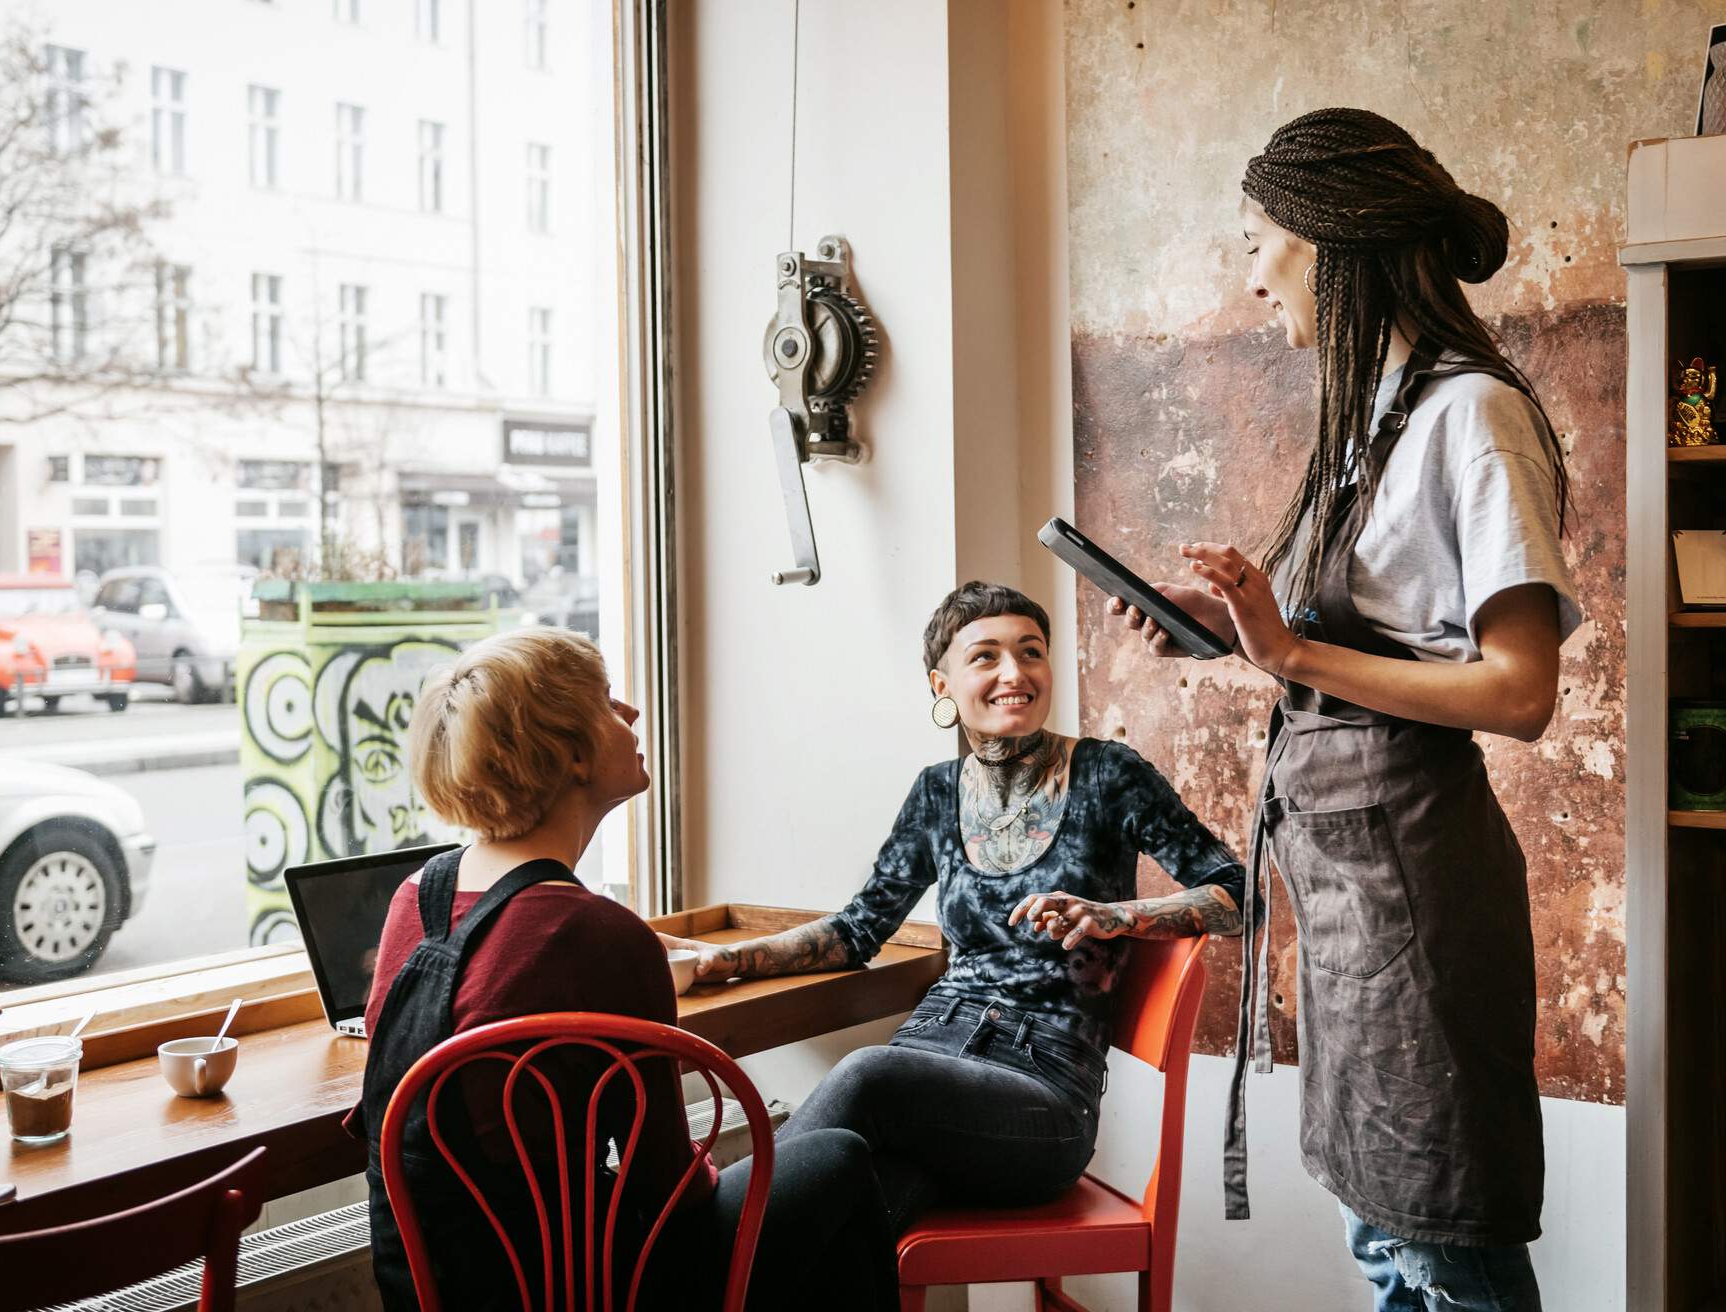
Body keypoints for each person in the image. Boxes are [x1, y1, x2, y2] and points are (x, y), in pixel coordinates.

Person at [1107, 108, 1577, 1312]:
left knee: (1444, 1241)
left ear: (1333, 241)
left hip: (1414, 888)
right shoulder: (1385, 408)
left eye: (1262, 237)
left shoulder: (1475, 415)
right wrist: (1220, 626)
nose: (1252, 270)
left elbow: (1520, 692)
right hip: (1358, 892)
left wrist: (1290, 646)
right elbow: (1359, 641)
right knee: (1388, 1232)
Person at [666, 582, 1246, 1236]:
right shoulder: (936, 792)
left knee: (866, 1078)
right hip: (934, 1056)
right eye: (986, 657)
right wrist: (723, 960)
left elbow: (1236, 896)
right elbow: (857, 931)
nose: (1014, 673)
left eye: (1031, 652)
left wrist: (1118, 917)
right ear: (942, 685)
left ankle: (697, 1243)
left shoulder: (1109, 776)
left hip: (1044, 1090)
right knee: (850, 1206)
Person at [352, 627, 896, 1312]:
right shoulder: (597, 934)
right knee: (840, 1158)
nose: (633, 715)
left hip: (436, 1289)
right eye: (610, 703)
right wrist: (717, 1172)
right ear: (573, 755)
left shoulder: (415, 899)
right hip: (588, 1290)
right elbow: (664, 1187)